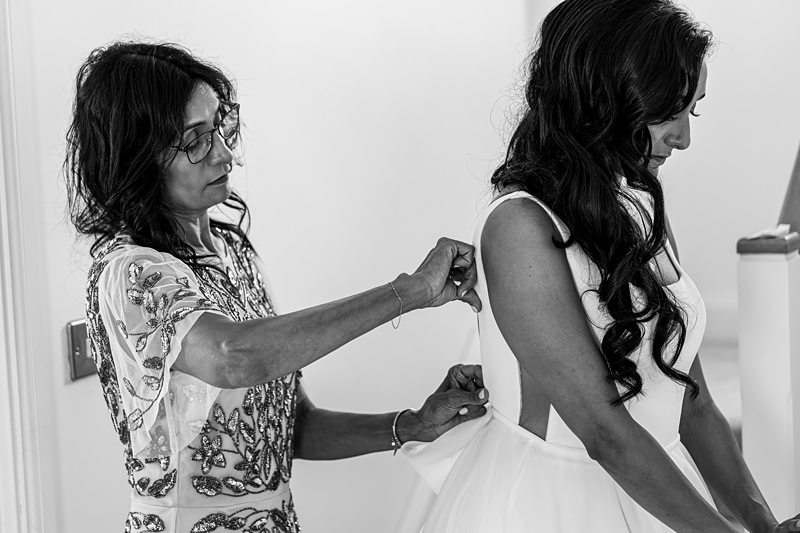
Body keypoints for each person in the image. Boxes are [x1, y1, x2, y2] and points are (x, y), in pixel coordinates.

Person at [401, 1, 800, 531]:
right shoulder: (519, 226)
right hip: (552, 506)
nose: (684, 137)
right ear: (605, 96)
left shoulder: (641, 204)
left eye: (693, 110)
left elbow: (694, 402)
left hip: (656, 489)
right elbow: (604, 434)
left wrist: (763, 524)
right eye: (670, 111)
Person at [64, 41, 489, 533]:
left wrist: (411, 425)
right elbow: (233, 357)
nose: (224, 152)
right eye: (196, 139)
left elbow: (291, 427)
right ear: (138, 158)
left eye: (220, 126)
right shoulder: (130, 273)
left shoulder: (234, 255)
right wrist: (408, 291)